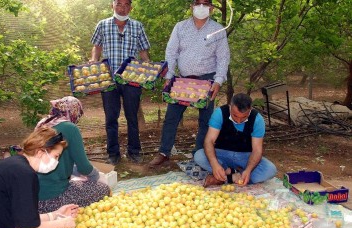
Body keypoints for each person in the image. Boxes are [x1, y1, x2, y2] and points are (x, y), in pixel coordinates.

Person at [149, 0, 231, 167]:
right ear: (192, 6)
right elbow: (171, 52)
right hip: (182, 80)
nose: (201, 7)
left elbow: (223, 57)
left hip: (207, 80)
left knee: (205, 120)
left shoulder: (218, 30)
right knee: (172, 116)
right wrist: (169, 76)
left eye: (205, 3)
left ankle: (199, 154)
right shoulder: (180, 27)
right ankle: (164, 152)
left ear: (211, 8)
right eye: (198, 3)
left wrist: (219, 80)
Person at [90, 0, 151, 165]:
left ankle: (134, 151)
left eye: (126, 4)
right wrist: (94, 61)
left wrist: (149, 70)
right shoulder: (102, 25)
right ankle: (113, 153)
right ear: (112, 5)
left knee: (132, 117)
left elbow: (143, 51)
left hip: (131, 79)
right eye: (118, 4)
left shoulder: (137, 26)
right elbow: (96, 46)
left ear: (131, 7)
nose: (122, 8)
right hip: (109, 79)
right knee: (111, 117)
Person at [35, 96, 111, 213]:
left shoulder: (43, 124)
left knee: (77, 182)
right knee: (103, 189)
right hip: (52, 200)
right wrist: (96, 177)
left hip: (33, 199)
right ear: (75, 112)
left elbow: (61, 164)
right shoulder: (70, 128)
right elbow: (84, 167)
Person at [194, 93, 277, 186]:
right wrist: (214, 164)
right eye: (235, 116)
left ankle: (229, 177)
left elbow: (257, 150)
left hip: (245, 157)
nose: (238, 121)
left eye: (244, 117)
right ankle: (228, 172)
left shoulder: (257, 119)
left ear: (250, 110)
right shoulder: (219, 113)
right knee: (199, 156)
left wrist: (249, 170)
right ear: (230, 106)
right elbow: (209, 141)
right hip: (222, 154)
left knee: (270, 169)